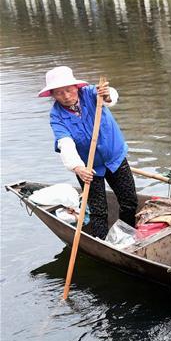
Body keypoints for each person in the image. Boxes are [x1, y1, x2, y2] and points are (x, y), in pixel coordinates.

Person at [41, 66, 137, 240]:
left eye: (69, 90)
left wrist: (107, 95)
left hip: (115, 157)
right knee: (99, 211)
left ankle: (127, 238)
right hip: (88, 167)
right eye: (59, 93)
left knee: (129, 202)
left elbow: (109, 96)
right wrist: (78, 168)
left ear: (75, 87)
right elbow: (65, 143)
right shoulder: (56, 116)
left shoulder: (91, 93)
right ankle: (102, 243)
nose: (66, 96)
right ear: (53, 95)